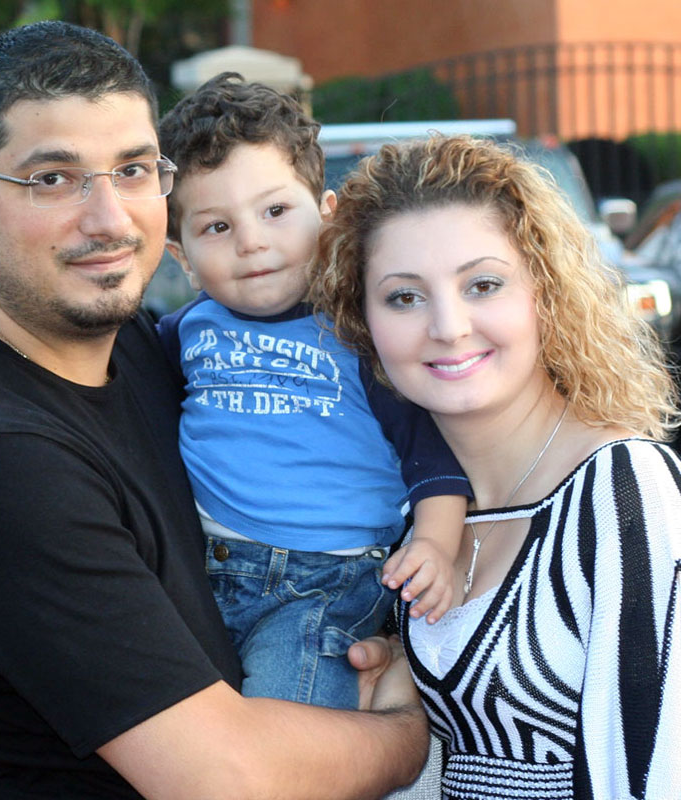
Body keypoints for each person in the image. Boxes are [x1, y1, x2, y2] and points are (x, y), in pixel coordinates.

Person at [0, 21, 429, 800]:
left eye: (131, 170)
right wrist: (404, 727)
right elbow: (229, 782)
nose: (109, 219)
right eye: (52, 178)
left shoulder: (144, 347)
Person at [311, 134, 681, 799]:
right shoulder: (398, 506)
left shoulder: (627, 492)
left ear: (545, 292)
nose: (448, 326)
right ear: (360, 319)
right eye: (404, 297)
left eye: (483, 285)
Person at [154, 73, 470, 710]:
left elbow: (431, 457)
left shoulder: (361, 334)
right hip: (200, 571)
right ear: (181, 256)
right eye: (216, 227)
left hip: (326, 583)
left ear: (327, 216)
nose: (252, 241)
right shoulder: (180, 335)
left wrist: (435, 545)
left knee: (285, 722)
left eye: (275, 211)